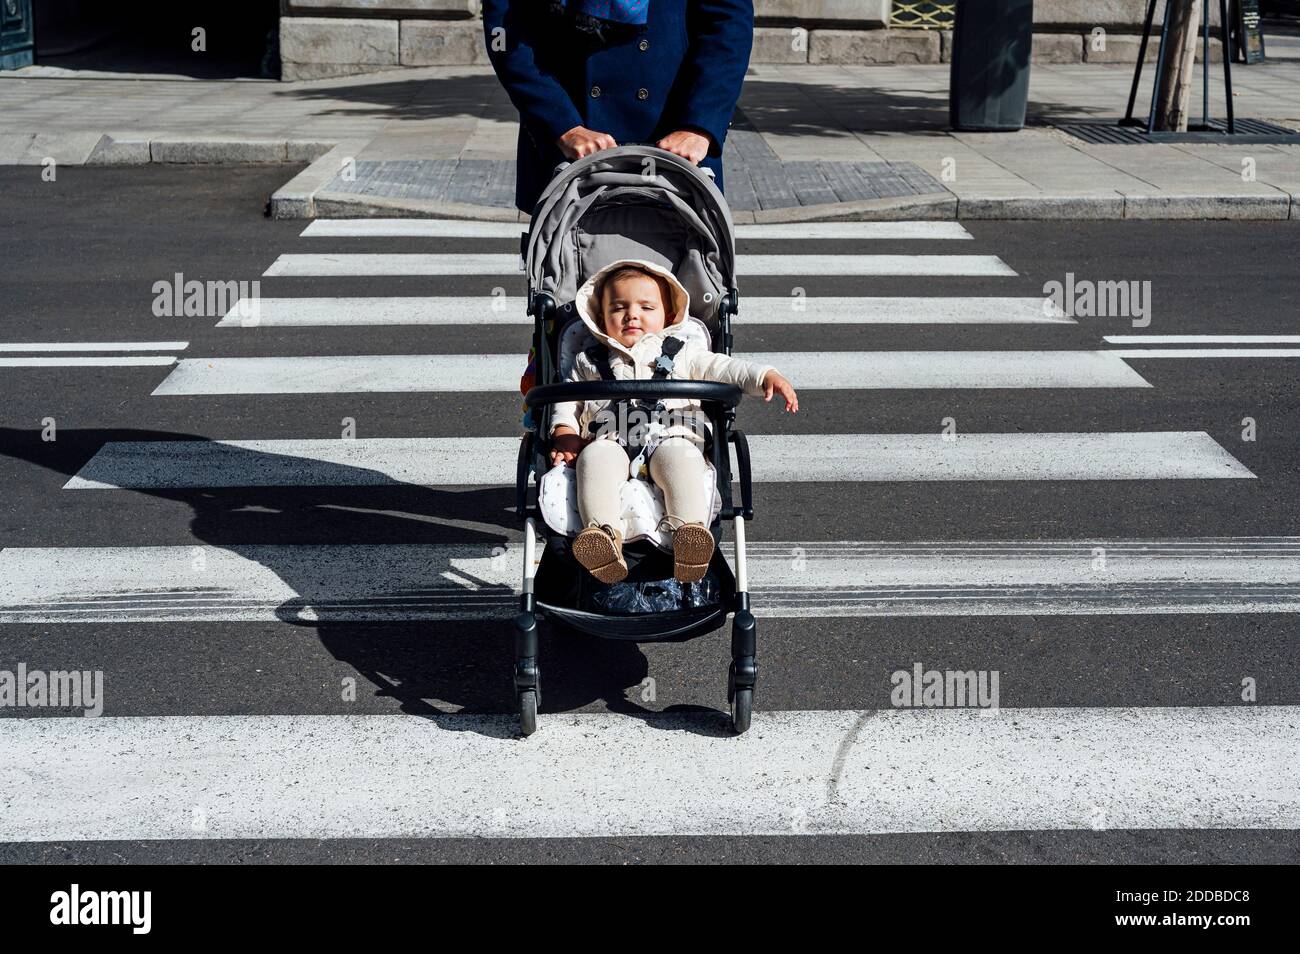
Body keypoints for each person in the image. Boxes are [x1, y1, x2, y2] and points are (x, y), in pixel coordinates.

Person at [549, 259, 798, 584]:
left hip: (673, 435)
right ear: (600, 318)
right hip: (610, 440)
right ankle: (602, 536)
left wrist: (766, 375)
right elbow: (568, 399)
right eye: (618, 307)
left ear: (667, 315)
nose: (632, 314)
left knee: (682, 460)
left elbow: (725, 369)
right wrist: (564, 430)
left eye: (646, 307)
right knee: (593, 460)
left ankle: (689, 534)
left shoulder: (682, 352)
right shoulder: (588, 361)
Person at [481, 0, 754, 213]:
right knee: (564, 276)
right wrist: (561, 124)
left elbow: (729, 26)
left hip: (674, 144)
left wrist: (700, 126)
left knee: (686, 277)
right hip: (571, 142)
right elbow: (504, 29)